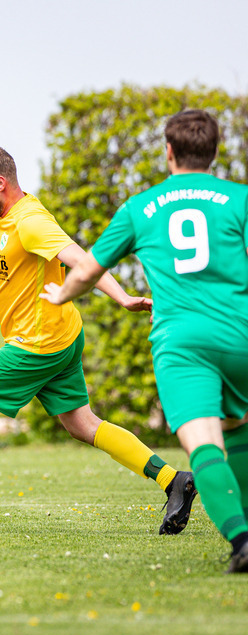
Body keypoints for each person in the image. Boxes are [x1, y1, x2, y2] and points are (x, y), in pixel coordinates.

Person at [0, 146, 197, 535]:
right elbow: (8, 257)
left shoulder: (32, 220)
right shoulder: (9, 216)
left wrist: (122, 298)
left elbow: (83, 260)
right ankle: (173, 480)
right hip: (62, 334)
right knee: (83, 424)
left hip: (36, 344)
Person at [42, 110, 248, 573]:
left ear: (169, 152)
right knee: (239, 428)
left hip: (182, 343)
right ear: (215, 152)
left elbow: (89, 269)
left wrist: (61, 294)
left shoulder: (141, 207)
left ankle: (241, 539)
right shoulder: (239, 199)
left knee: (205, 445)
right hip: (240, 332)